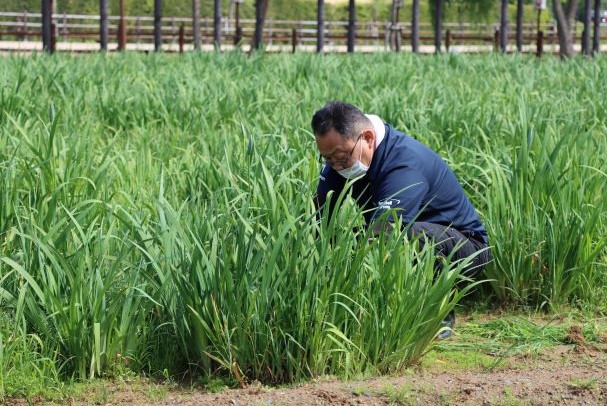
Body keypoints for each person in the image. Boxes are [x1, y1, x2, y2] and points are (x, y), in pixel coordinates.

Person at [312, 101, 490, 339]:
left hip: (464, 246)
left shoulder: (404, 163)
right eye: (328, 159)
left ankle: (435, 312)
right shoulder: (341, 159)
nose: (336, 165)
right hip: (402, 229)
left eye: (341, 157)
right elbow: (321, 216)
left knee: (400, 236)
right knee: (346, 239)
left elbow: (384, 234)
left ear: (367, 137)